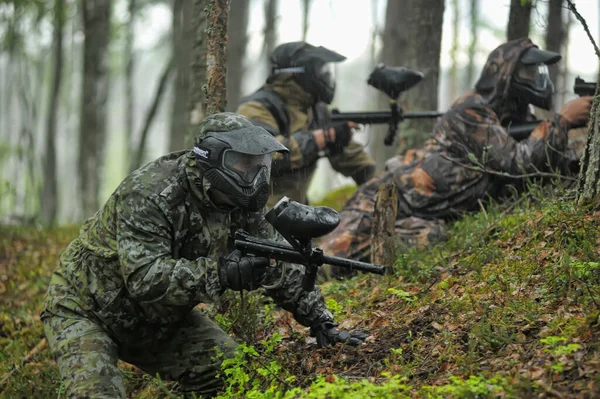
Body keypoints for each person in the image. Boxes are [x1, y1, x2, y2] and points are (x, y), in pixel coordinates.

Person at [41, 113, 367, 399]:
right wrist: (222, 273)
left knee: (233, 373)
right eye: (245, 164)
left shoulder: (242, 205)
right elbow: (144, 278)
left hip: (160, 320)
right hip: (87, 311)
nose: (256, 177)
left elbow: (277, 262)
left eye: (261, 165)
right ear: (212, 159)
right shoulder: (150, 193)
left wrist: (321, 321)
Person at [318, 38, 593, 270]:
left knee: (429, 238)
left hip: (423, 215)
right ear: (507, 73)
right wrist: (562, 122)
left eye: (537, 72)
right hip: (385, 202)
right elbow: (516, 163)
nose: (536, 79)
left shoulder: (518, 119)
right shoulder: (471, 109)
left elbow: (547, 166)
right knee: (328, 262)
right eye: (529, 72)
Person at [236, 41, 376, 207]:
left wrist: (380, 182)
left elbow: (351, 159)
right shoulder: (256, 108)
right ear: (299, 73)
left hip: (295, 213)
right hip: (255, 216)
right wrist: (319, 139)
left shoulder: (315, 110)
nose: (326, 76)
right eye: (320, 70)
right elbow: (264, 156)